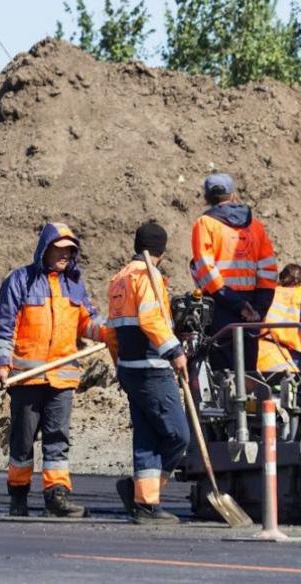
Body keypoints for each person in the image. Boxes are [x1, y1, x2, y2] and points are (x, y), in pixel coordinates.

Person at [0, 222, 111, 518]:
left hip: (62, 376)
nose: (65, 255)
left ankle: (56, 495)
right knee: (22, 440)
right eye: (59, 249)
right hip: (27, 377)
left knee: (58, 438)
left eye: (70, 250)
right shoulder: (21, 281)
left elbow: (87, 323)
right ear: (45, 249)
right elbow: (5, 327)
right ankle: (18, 496)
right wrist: (3, 365)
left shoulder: (74, 284)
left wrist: (113, 333)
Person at [106, 221, 191, 525]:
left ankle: (143, 501)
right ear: (162, 252)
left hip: (130, 370)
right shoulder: (149, 276)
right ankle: (145, 496)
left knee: (146, 438)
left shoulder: (118, 279)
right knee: (178, 435)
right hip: (152, 369)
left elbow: (111, 332)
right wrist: (175, 351)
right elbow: (152, 320)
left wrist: (119, 366)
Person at [190, 173, 278, 371]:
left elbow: (207, 271)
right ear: (233, 195)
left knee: (223, 374)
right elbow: (268, 270)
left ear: (206, 198)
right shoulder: (255, 226)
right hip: (253, 308)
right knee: (248, 373)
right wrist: (258, 310)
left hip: (221, 306)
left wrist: (239, 306)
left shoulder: (204, 224)